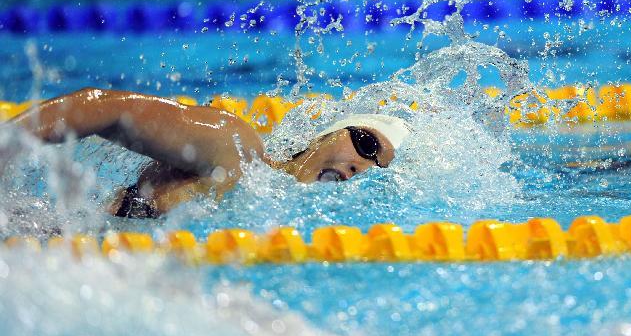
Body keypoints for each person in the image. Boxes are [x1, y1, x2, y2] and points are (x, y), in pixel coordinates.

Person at [10, 87, 410, 218]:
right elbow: (110, 109)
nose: (363, 166)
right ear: (327, 135)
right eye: (367, 144)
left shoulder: (283, 211)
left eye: (378, 166)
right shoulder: (237, 151)